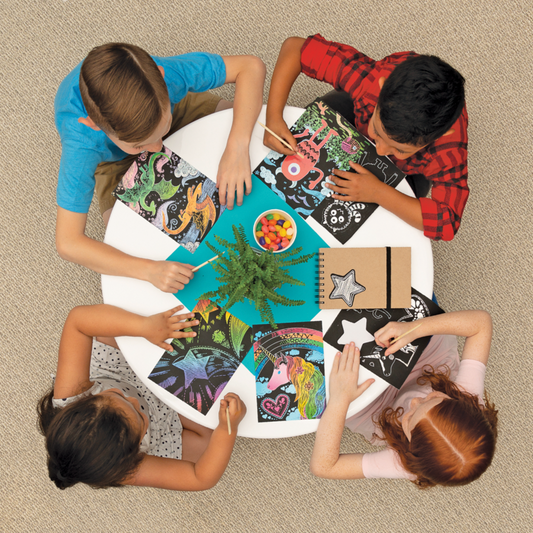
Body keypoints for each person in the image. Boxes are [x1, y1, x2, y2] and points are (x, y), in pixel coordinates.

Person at [55, 42, 265, 293]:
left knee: (255, 125)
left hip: (173, 110)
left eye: (161, 132)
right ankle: (148, 135)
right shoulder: (82, 143)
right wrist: (149, 270)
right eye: (140, 145)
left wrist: (237, 147)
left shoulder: (170, 75)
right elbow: (68, 243)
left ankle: (151, 133)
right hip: (116, 161)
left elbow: (250, 67)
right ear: (94, 125)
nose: (158, 149)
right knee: (129, 242)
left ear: (161, 75)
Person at [264, 34, 468, 241]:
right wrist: (273, 116)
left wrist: (378, 193)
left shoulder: (448, 149)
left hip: (405, 171)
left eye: (400, 149)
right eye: (377, 132)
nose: (380, 151)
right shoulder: (369, 81)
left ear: (438, 138)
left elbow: (447, 223)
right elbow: (296, 48)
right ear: (381, 88)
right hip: (354, 114)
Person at [37, 304, 246, 491]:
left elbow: (78, 320)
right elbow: (199, 478)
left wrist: (143, 327)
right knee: (208, 446)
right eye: (138, 415)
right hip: (161, 419)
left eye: (118, 396)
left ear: (85, 399)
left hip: (117, 369)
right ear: (134, 451)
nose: (134, 401)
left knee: (114, 323)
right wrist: (227, 429)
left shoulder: (69, 396)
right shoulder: (122, 467)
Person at [310, 310, 498, 487]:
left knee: (328, 395)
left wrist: (340, 400)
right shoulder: (469, 398)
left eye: (410, 417)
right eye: (432, 398)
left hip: (382, 410)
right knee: (410, 319)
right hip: (428, 367)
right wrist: (414, 329)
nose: (414, 401)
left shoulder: (406, 463)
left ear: (410, 448)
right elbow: (480, 324)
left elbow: (324, 467)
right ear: (461, 401)